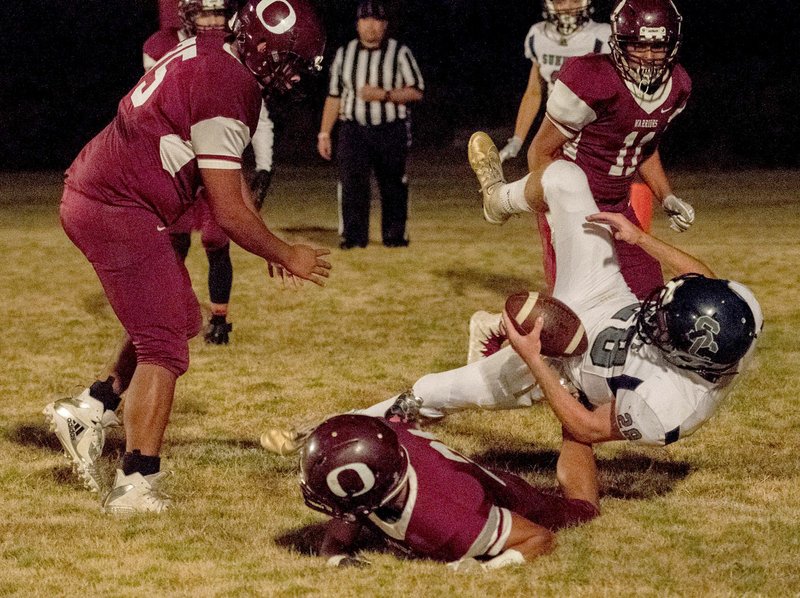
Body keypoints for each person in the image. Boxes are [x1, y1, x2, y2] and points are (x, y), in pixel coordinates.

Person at [42, 0, 331, 514]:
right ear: (266, 51)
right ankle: (136, 482)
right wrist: (287, 253)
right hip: (117, 206)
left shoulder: (214, 52)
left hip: (106, 189)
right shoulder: (230, 87)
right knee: (167, 343)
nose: (293, 75)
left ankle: (92, 406)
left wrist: (265, 235)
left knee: (178, 315)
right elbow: (226, 210)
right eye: (290, 61)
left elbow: (227, 172)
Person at [467, 0, 695, 362]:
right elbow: (540, 153)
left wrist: (667, 196)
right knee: (572, 323)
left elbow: (644, 146)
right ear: (619, 43)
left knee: (650, 302)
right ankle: (494, 330)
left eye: (658, 45)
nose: (650, 56)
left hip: (619, 206)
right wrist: (557, 212)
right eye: (639, 44)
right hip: (576, 205)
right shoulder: (591, 78)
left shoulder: (677, 85)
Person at [299, 413, 599, 569]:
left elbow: (539, 537)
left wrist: (489, 570)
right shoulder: (378, 443)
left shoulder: (448, 522)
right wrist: (336, 554)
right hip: (447, 474)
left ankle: (578, 411)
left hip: (504, 495)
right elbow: (345, 524)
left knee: (584, 509)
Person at [144, 0, 277, 344]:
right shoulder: (161, 47)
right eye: (207, 13)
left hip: (216, 160)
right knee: (175, 240)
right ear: (188, 15)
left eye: (220, 13)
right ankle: (166, 315)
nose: (214, 21)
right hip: (181, 162)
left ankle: (220, 318)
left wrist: (263, 164)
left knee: (218, 239)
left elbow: (257, 114)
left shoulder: (236, 50)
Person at [317, 0, 424, 249]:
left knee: (393, 184)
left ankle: (395, 236)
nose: (371, 26)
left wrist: (385, 95)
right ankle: (353, 237)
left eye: (377, 20)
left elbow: (417, 91)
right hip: (353, 129)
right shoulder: (345, 54)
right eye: (365, 20)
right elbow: (334, 96)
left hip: (390, 128)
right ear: (357, 24)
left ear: (385, 25)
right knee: (352, 184)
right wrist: (324, 133)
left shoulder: (399, 52)